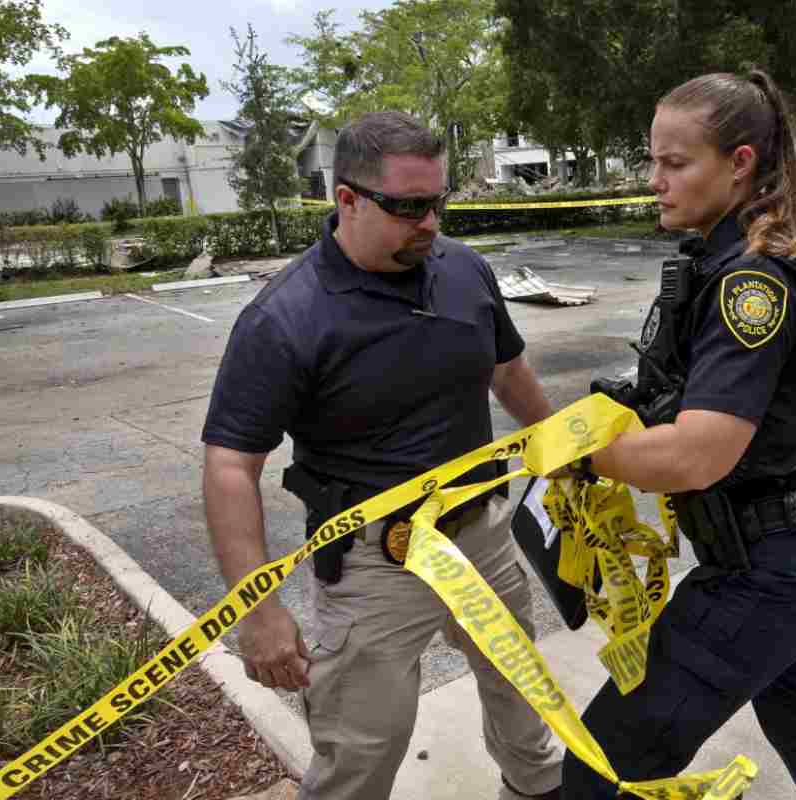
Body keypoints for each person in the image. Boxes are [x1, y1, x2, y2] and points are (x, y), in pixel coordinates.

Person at [201, 111, 563, 800]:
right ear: (347, 199)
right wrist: (258, 611)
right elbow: (229, 466)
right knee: (361, 754)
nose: (429, 223)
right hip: (376, 565)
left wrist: (564, 453)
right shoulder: (286, 317)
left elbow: (508, 371)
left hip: (481, 536)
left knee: (525, 705)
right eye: (408, 207)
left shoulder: (463, 269)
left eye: (438, 203)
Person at [560, 71, 796, 800]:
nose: (655, 181)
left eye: (676, 164)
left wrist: (578, 448)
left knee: (598, 770)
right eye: (653, 161)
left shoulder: (751, 282)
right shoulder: (719, 259)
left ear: (739, 163)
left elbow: (697, 454)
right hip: (787, 550)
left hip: (767, 567)